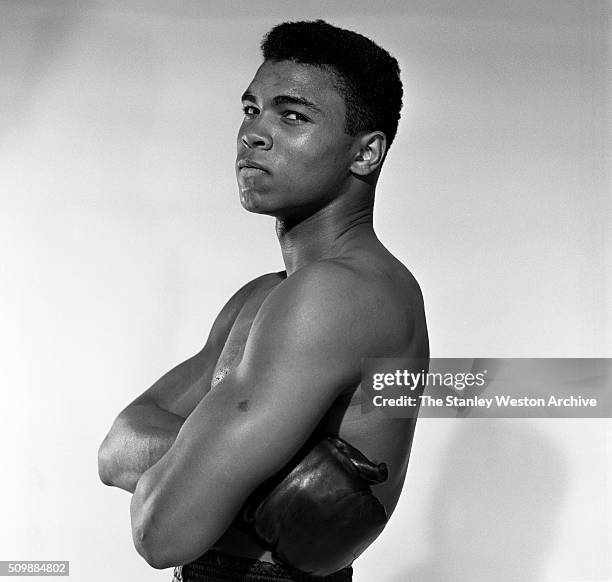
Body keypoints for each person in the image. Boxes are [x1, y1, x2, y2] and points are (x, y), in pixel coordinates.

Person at [98, 19, 429, 582]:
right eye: (252, 109)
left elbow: (163, 531)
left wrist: (210, 479)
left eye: (292, 115)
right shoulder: (263, 295)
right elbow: (117, 446)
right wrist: (252, 480)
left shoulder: (338, 294)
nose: (254, 133)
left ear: (366, 153)